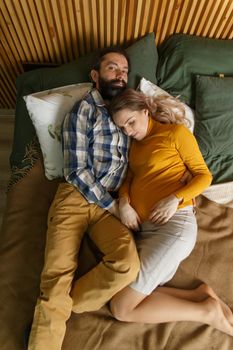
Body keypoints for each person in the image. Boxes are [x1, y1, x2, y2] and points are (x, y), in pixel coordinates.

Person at [28, 48, 140, 350]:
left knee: (128, 264)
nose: (119, 74)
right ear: (95, 75)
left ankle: (61, 306)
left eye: (124, 70)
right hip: (76, 198)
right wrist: (114, 206)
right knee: (55, 279)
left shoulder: (129, 113)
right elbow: (76, 171)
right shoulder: (83, 111)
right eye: (112, 68)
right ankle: (53, 306)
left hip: (109, 205)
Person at [109, 88, 233, 336]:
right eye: (123, 128)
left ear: (145, 111)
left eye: (131, 122)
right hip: (145, 231)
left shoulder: (175, 134)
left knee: (121, 308)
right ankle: (200, 296)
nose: (129, 131)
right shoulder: (135, 148)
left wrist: (175, 198)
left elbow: (203, 176)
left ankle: (207, 312)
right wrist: (123, 203)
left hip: (173, 227)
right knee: (138, 295)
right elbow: (130, 180)